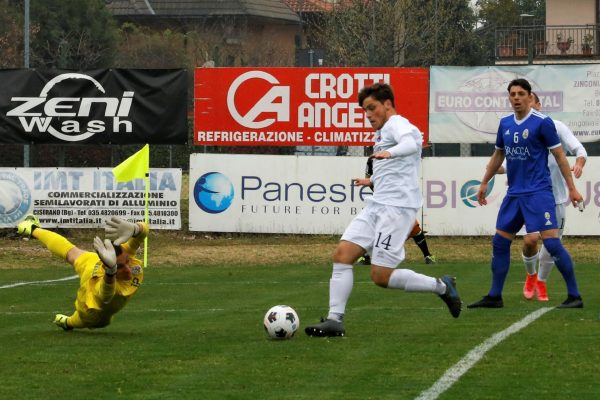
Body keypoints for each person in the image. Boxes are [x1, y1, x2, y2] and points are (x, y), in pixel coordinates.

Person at [305, 83, 461, 337]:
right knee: (343, 255)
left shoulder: (398, 124)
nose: (368, 114)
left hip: (396, 209)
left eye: (371, 108)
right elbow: (398, 170)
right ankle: (335, 320)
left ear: (387, 104)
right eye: (365, 110)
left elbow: (413, 143)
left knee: (380, 276)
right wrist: (372, 180)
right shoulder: (384, 131)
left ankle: (442, 286)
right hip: (378, 204)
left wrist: (389, 152)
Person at [468, 78, 584, 309]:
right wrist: (484, 182)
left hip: (538, 193)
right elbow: (498, 155)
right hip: (514, 194)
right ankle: (494, 296)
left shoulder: (543, 123)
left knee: (551, 244)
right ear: (509, 98)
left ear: (530, 97)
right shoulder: (505, 123)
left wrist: (572, 188)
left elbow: (561, 157)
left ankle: (574, 295)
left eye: (521, 94)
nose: (516, 98)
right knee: (500, 243)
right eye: (512, 94)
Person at [494, 91, 587, 302]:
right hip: (531, 196)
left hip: (555, 198)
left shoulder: (554, 126)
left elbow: (577, 149)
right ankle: (531, 276)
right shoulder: (517, 127)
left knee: (552, 245)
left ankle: (541, 282)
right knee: (530, 240)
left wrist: (579, 163)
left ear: (537, 103)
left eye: (529, 101)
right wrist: (496, 169)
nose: (526, 105)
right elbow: (519, 159)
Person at [16, 214, 149, 330]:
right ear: (110, 267)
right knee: (78, 320)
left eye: (127, 262)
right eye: (120, 267)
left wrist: (136, 229)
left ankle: (32, 228)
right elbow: (105, 295)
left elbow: (144, 231)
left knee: (71, 252)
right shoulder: (104, 284)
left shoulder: (123, 256)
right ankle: (67, 322)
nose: (127, 269)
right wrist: (110, 271)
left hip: (94, 263)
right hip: (92, 312)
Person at [357, 158, 437, 265]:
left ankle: (428, 256)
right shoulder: (371, 160)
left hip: (398, 199)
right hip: (381, 199)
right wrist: (379, 188)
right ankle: (365, 257)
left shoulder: (397, 156)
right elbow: (368, 179)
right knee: (371, 227)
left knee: (414, 228)